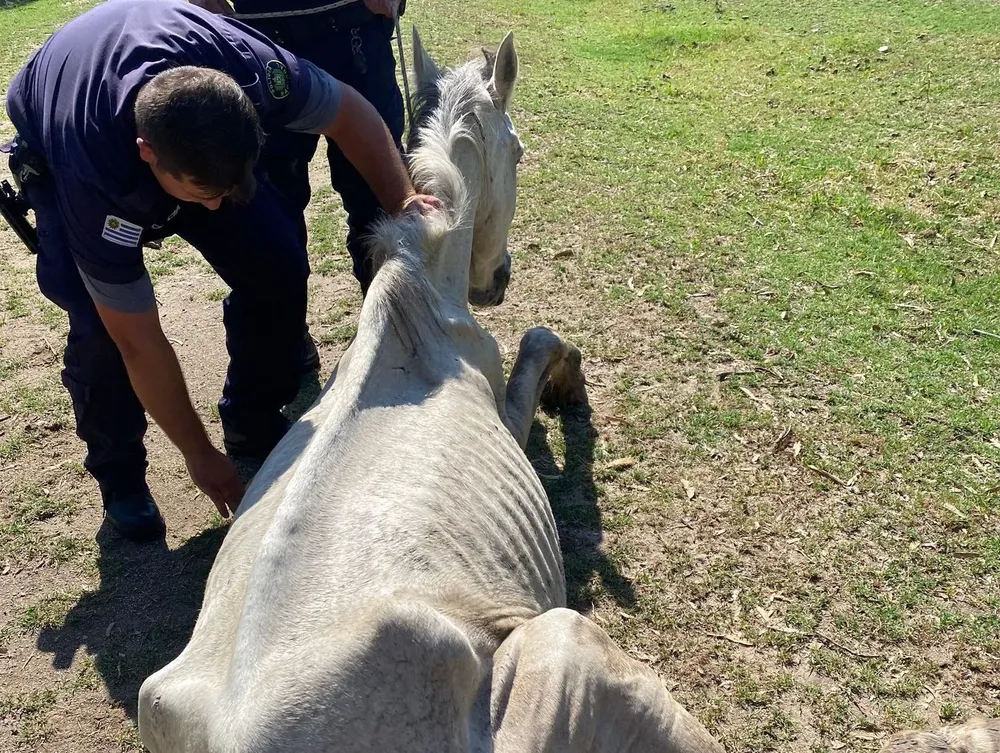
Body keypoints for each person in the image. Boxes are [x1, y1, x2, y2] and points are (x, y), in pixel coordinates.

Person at [4, 0, 439, 543]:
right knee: (99, 328)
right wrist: (199, 457)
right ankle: (121, 481)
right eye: (203, 195)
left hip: (186, 123)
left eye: (229, 188)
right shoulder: (96, 178)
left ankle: (252, 417)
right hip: (70, 136)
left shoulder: (254, 68)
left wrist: (401, 203)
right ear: (148, 155)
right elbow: (140, 342)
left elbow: (351, 112)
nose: (216, 207)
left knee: (276, 258)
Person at [190, 0, 407, 295]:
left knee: (378, 198)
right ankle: (284, 335)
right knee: (267, 210)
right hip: (258, 33)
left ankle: (390, 323)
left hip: (355, 25)